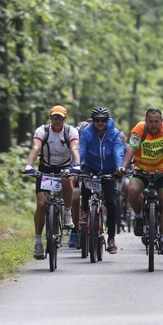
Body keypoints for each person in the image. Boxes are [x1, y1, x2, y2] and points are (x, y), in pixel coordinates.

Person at [117, 108, 163, 254]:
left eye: (157, 121)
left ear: (161, 121)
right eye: (150, 121)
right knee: (132, 190)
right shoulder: (139, 129)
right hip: (142, 171)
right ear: (146, 121)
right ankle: (140, 217)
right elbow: (132, 149)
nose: (154, 124)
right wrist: (123, 167)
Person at [23, 105, 80, 259]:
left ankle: (67, 214)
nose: (57, 120)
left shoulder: (70, 131)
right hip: (45, 169)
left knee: (66, 179)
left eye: (60, 117)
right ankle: (38, 242)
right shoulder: (42, 131)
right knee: (41, 204)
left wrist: (77, 165)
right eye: (55, 117)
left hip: (64, 167)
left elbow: (74, 149)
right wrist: (29, 165)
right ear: (50, 117)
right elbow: (36, 147)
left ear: (65, 118)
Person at [78, 107, 124, 254]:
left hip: (110, 169)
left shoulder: (114, 133)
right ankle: (85, 211)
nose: (100, 123)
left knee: (111, 202)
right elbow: (81, 150)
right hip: (91, 166)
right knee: (84, 181)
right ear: (93, 121)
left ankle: (111, 238)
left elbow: (118, 151)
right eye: (97, 120)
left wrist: (119, 168)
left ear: (107, 120)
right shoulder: (86, 132)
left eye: (103, 120)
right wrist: (77, 165)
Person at [68, 117, 94, 249]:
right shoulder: (74, 140)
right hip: (77, 172)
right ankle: (74, 231)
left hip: (91, 172)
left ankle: (96, 222)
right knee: (76, 197)